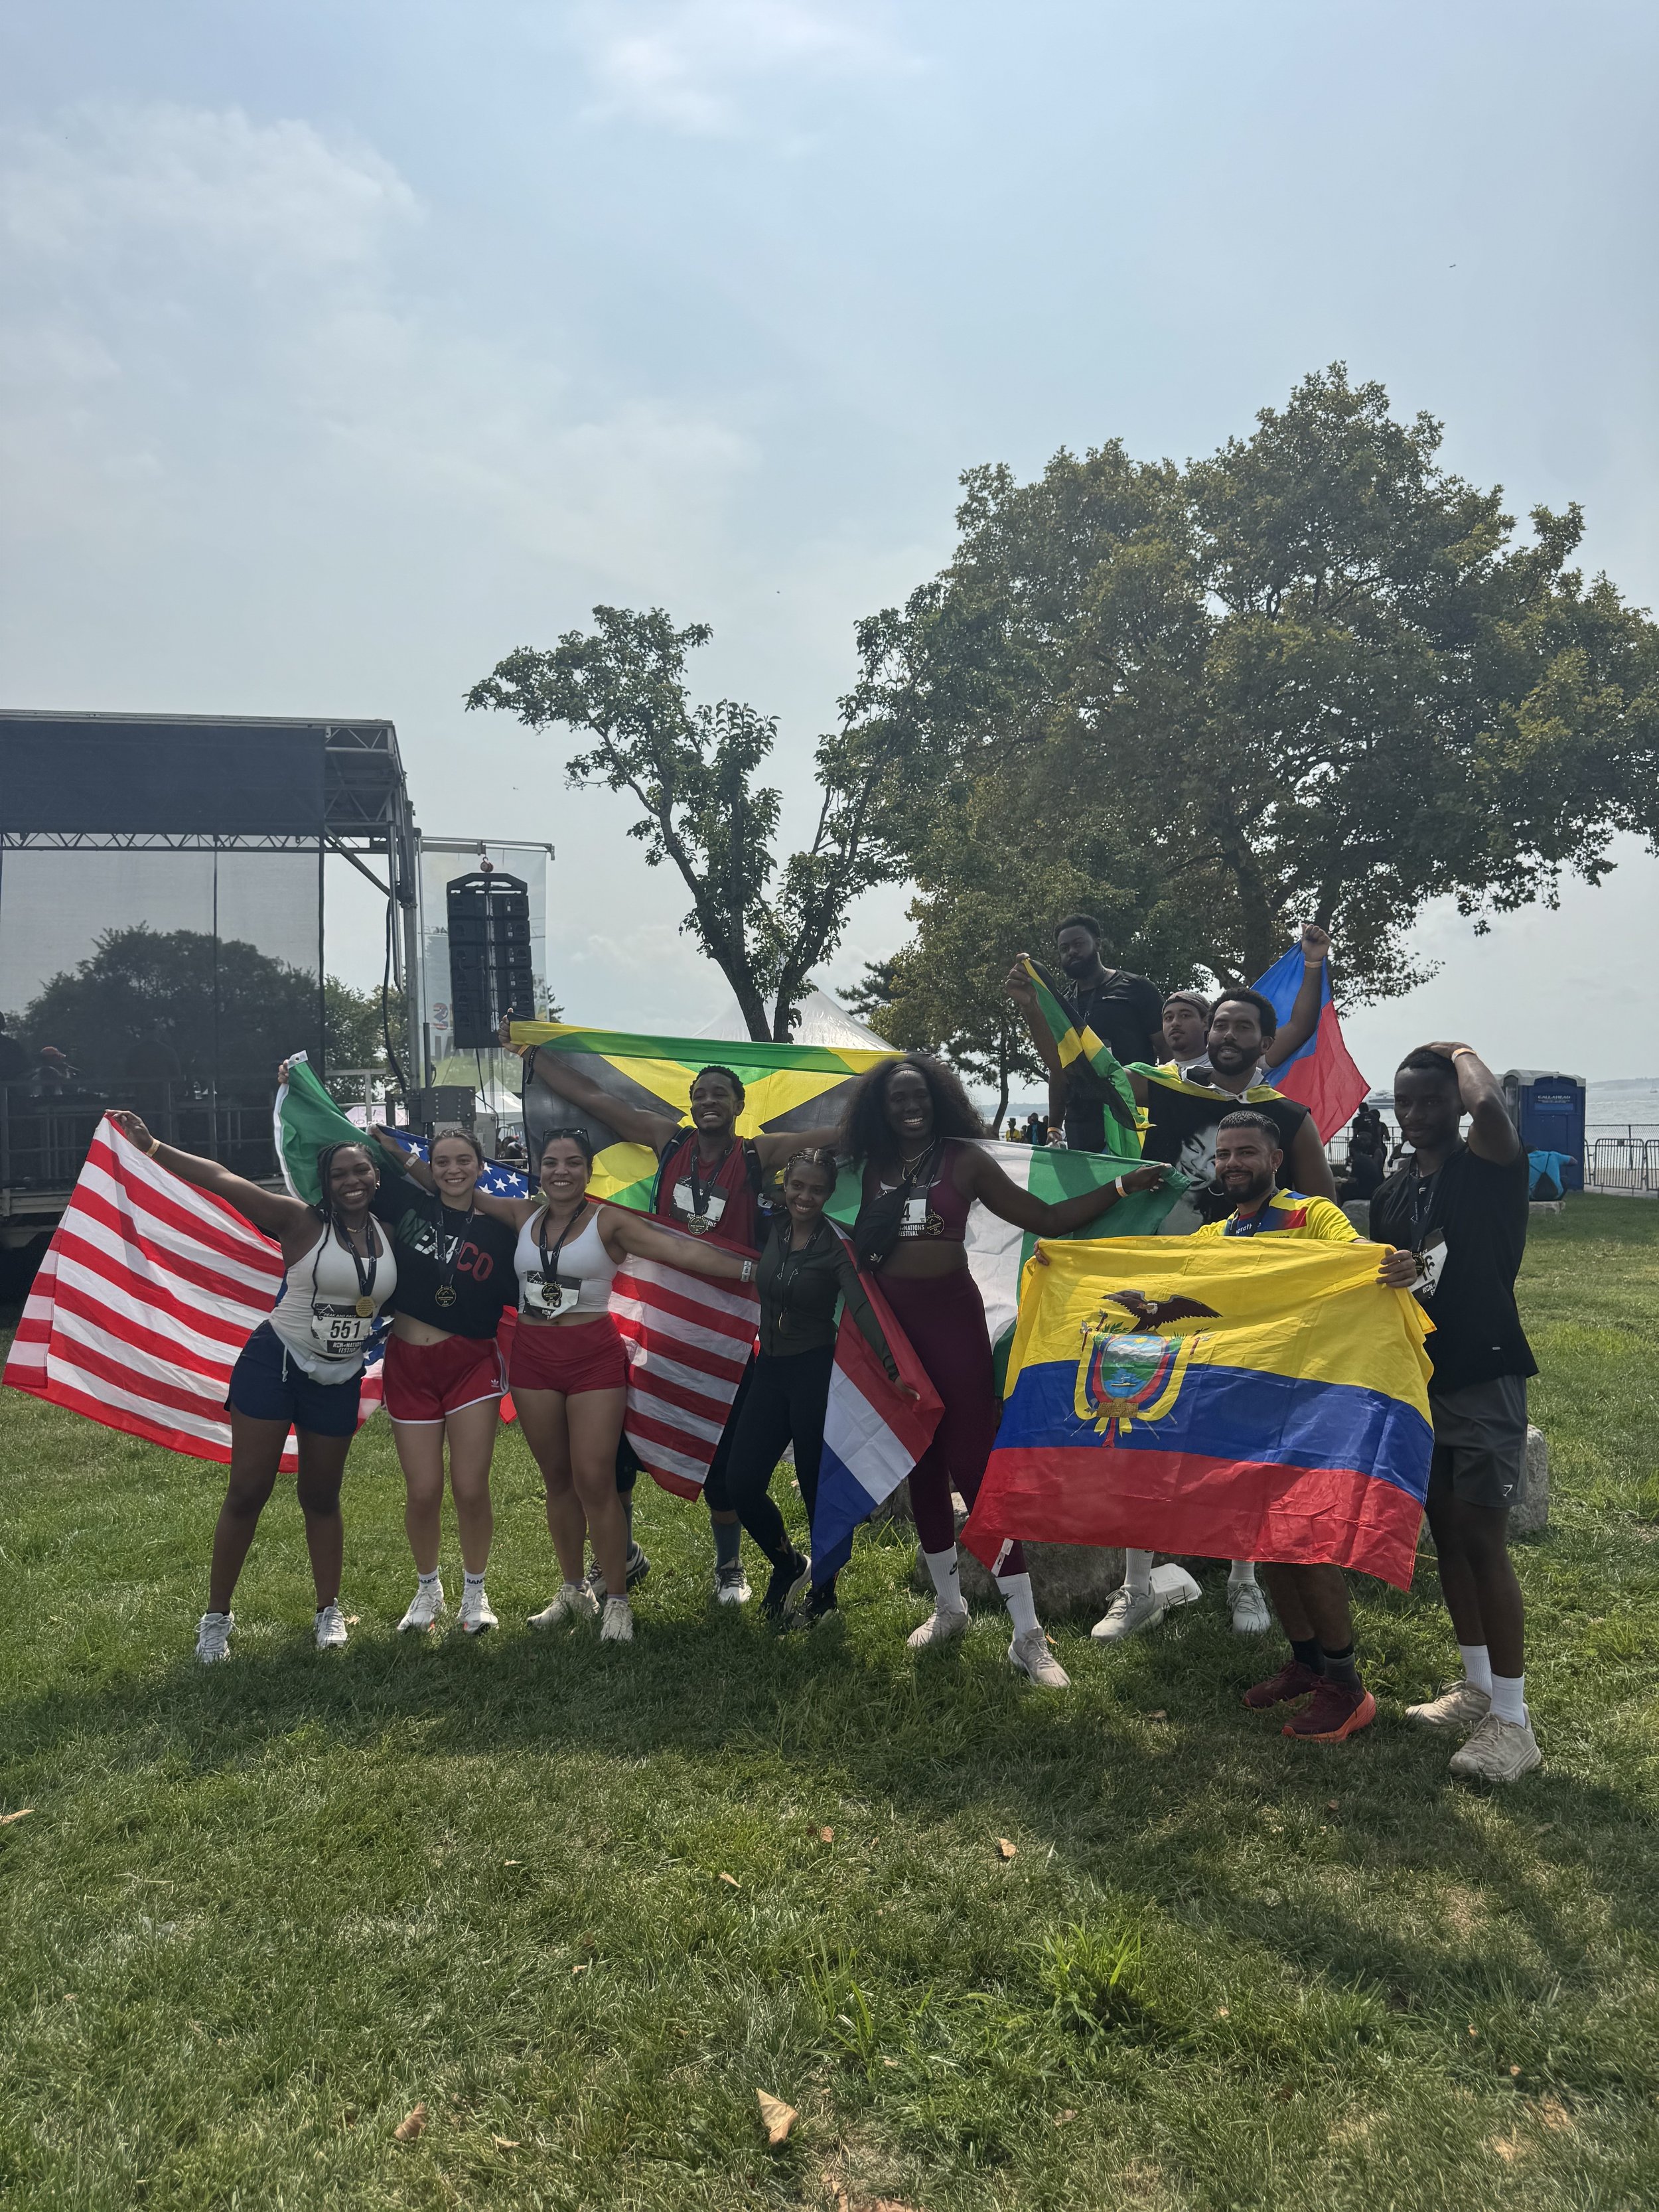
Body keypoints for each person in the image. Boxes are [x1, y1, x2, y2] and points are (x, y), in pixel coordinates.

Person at [839, 1051, 1175, 1688]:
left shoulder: (963, 1161)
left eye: (920, 1095)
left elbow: (1044, 1219)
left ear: (939, 1099)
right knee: (922, 1464)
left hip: (952, 1324)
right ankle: (949, 1608)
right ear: (879, 1109)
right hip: (892, 1332)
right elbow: (794, 1161)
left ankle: (1027, 1633)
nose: (910, 1106)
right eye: (896, 1098)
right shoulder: (868, 1164)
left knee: (974, 1466)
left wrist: (1123, 1187)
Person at [504, 1025, 841, 1603]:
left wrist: (905, 1096)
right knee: (617, 1448)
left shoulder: (758, 1154)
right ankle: (625, 1557)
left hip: (729, 1332)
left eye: (721, 1095)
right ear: (691, 1104)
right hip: (654, 1322)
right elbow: (597, 1099)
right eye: (700, 1093)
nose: (709, 1101)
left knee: (723, 1453)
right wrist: (538, 1057)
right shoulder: (667, 1140)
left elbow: (837, 1133)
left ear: (739, 1107)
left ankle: (729, 1568)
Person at [107, 1110, 396, 1664]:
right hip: (275, 1363)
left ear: (375, 1177)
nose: (353, 1181)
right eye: (340, 1174)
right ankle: (216, 1618)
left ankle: (328, 1610)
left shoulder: (390, 1232)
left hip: (337, 1377)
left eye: (361, 1170)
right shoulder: (300, 1221)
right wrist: (155, 1146)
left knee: (321, 1495)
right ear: (324, 1183)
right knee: (248, 1491)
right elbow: (226, 1181)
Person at [447, 1126, 754, 1643]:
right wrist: (384, 1146)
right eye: (550, 1163)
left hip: (593, 1361)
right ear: (537, 1169)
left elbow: (681, 1252)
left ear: (589, 1171)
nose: (560, 1171)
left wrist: (752, 1269)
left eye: (572, 1162)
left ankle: (617, 1600)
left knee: (595, 1480)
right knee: (558, 1481)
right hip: (533, 1360)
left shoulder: (609, 1220)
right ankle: (572, 1589)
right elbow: (455, 1186)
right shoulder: (524, 1214)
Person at [1179, 1112, 1419, 1741]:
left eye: (1246, 1152)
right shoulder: (1218, 1233)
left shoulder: (1310, 1214)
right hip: (1246, 1402)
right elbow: (1163, 1273)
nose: (1232, 1163)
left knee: (1306, 1540)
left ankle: (1347, 1687)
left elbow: (1354, 1257)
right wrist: (1070, 1260)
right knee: (1266, 1539)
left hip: (1309, 1400)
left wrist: (1394, 1262)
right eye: (1223, 1153)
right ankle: (1307, 1663)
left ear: (1275, 1157)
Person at [1371, 1045, 1542, 1784]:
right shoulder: (1393, 1188)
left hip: (1483, 1374)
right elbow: (1397, 1277)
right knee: (1444, 1530)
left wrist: (1461, 1053)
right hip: (1422, 1379)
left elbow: (1490, 1111)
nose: (1417, 1116)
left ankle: (1514, 1720)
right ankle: (1475, 1687)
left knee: (1481, 1538)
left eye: (1432, 1100)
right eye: (1405, 1103)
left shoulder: (1490, 1170)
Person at [722, 1147, 917, 1627]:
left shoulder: (836, 1246)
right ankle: (789, 1565)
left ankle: (824, 1594)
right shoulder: (770, 1223)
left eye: (816, 1189)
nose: (804, 1196)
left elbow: (863, 1307)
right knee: (740, 1482)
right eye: (797, 1185)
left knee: (816, 1490)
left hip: (813, 1374)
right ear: (785, 1185)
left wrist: (894, 1366)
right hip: (767, 1369)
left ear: (829, 1194)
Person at [365, 1125, 521, 1636]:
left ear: (481, 1168)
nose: (453, 1170)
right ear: (429, 1168)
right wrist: (296, 1091)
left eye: (464, 1161)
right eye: (443, 1162)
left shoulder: (501, 1227)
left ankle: (475, 1592)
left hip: (470, 1361)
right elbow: (343, 1160)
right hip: (409, 1362)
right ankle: (428, 1587)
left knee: (470, 1486)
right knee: (424, 1489)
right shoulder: (409, 1201)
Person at [1028, 915, 1165, 1151]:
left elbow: (1166, 1049)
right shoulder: (1063, 1006)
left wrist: (1172, 1108)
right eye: (1064, 948)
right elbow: (1059, 1069)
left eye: (1078, 944)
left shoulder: (1137, 989)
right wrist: (1053, 1129)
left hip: (1133, 1120)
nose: (1071, 952)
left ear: (1098, 944)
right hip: (1082, 1127)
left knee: (1139, 1186)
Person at [1158, 924, 1332, 1079]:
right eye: (1168, 1018)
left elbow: (1299, 1027)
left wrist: (1313, 962)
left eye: (1185, 1015)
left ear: (1207, 1025)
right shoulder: (1154, 1079)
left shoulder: (1235, 1058)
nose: (1175, 1023)